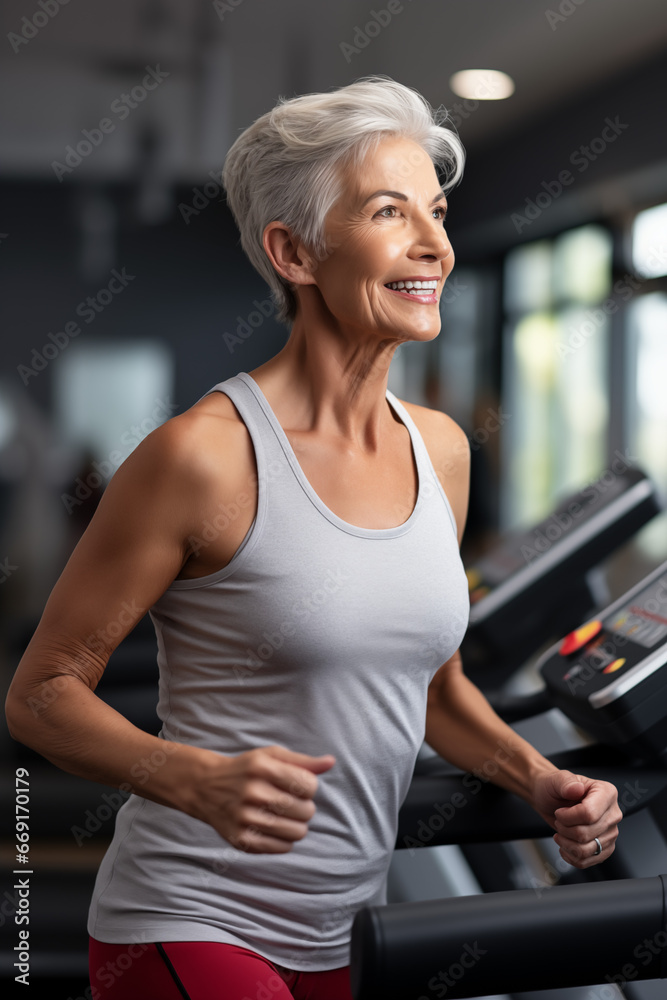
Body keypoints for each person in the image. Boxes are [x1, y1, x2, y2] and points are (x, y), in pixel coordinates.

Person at [5, 75, 623, 1000]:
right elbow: (41, 694)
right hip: (188, 919)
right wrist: (194, 778)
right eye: (388, 212)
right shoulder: (201, 457)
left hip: (342, 931)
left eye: (437, 212)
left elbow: (431, 684)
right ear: (294, 253)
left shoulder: (442, 451)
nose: (434, 246)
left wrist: (540, 779)